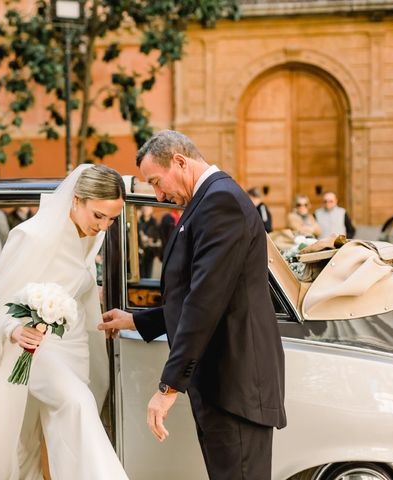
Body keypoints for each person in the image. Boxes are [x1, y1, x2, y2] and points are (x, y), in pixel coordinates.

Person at [98, 130, 286, 480]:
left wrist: (169, 387)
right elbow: (194, 295)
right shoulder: (210, 199)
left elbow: (206, 300)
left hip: (235, 385)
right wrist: (137, 321)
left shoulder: (220, 202)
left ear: (180, 162)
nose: (158, 194)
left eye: (156, 181)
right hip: (225, 384)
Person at [0, 164, 129, 480]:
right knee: (76, 405)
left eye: (112, 219)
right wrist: (13, 328)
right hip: (34, 347)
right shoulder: (32, 236)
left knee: (50, 425)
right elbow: (0, 298)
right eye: (99, 215)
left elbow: (73, 284)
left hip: (74, 348)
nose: (104, 226)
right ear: (76, 200)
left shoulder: (88, 237)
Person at [137, 205, 162, 278]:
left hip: (150, 252)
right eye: (144, 208)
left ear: (151, 210)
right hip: (139, 252)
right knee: (140, 274)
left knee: (148, 273)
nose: (146, 209)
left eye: (148, 208)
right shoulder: (139, 221)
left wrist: (149, 238)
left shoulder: (154, 222)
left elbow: (157, 236)